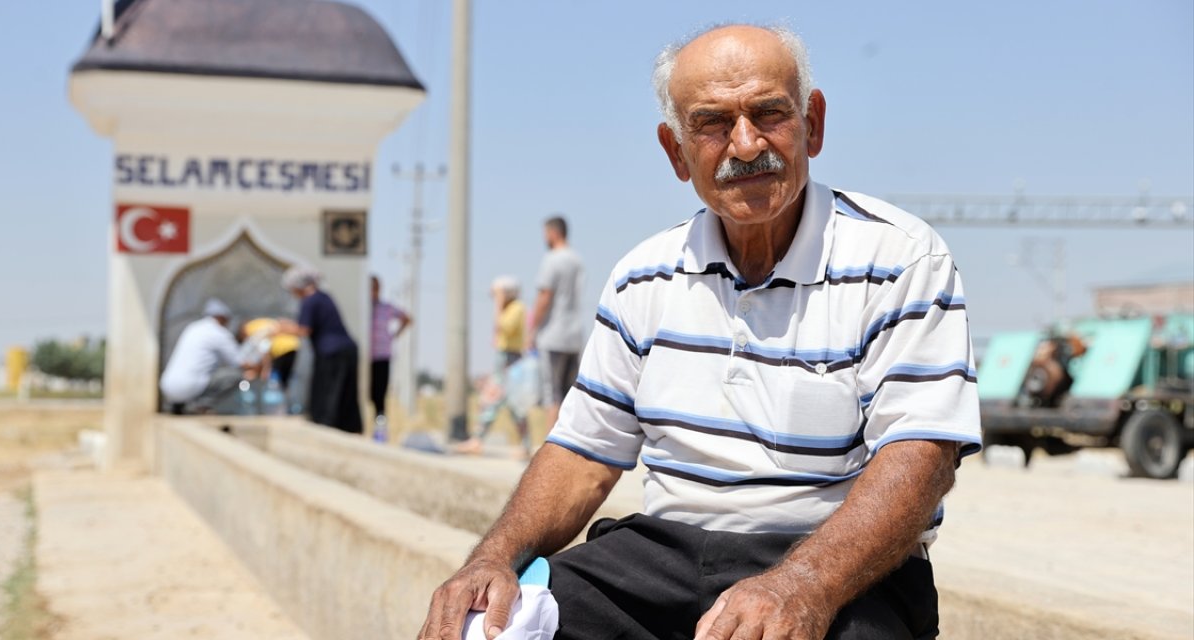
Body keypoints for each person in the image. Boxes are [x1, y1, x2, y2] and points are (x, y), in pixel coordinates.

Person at [420, 24, 981, 640]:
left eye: (769, 113)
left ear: (812, 124)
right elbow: (582, 453)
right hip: (660, 558)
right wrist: (492, 558)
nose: (745, 145)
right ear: (676, 151)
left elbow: (922, 458)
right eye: (713, 123)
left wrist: (802, 587)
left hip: (837, 566)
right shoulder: (642, 277)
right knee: (483, 627)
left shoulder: (902, 260)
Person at [456, 276, 533, 457]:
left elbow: (504, 327)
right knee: (508, 403)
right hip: (505, 357)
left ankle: (478, 440)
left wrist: (498, 305)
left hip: (511, 358)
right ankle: (524, 443)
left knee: (496, 401)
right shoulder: (512, 308)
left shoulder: (517, 308)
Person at [278, 266, 362, 433]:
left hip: (332, 353)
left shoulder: (310, 300)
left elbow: (303, 330)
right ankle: (348, 429)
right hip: (346, 350)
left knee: (328, 394)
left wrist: (281, 328)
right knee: (345, 395)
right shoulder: (323, 297)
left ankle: (327, 429)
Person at [527, 215, 584, 431]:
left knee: (552, 395)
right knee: (571, 395)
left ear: (553, 233)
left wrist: (531, 329)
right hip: (574, 335)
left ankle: (549, 449)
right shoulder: (577, 260)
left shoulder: (552, 259)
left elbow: (544, 296)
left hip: (553, 335)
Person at [159, 298, 253, 414]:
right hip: (189, 387)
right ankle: (201, 405)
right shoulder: (219, 332)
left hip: (167, 387)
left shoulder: (193, 327)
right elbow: (240, 362)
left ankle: (179, 406)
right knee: (236, 375)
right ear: (221, 317)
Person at [370, 276, 412, 430]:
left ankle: (380, 427)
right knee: (367, 393)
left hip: (381, 355)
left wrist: (394, 335)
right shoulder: (362, 308)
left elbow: (407, 318)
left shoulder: (386, 308)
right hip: (365, 358)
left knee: (379, 395)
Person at [240, 317, 301, 391]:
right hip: (294, 347)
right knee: (285, 380)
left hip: (281, 351)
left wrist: (265, 368)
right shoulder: (262, 324)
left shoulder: (251, 328)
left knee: (279, 381)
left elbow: (263, 350)